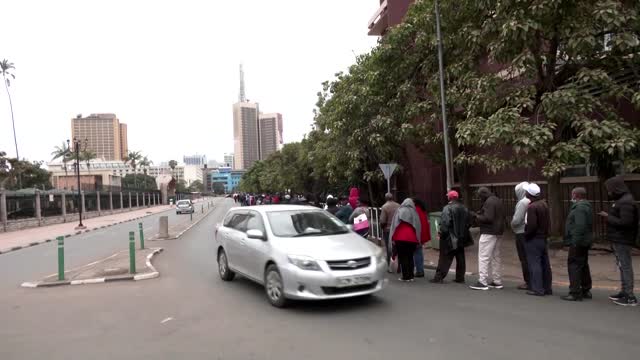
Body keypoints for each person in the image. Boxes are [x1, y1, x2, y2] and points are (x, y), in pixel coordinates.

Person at [599, 176, 638, 306]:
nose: (609, 193)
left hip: (623, 239)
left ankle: (630, 296)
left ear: (616, 188)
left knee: (625, 266)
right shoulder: (622, 200)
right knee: (622, 266)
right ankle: (624, 291)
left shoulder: (626, 202)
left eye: (610, 190)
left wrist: (608, 216)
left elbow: (626, 222)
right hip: (619, 238)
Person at [431, 190, 471, 284]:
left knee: (445, 257)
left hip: (449, 237)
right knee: (460, 257)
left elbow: (445, 224)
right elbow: (469, 222)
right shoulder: (464, 208)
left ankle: (439, 277)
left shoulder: (447, 208)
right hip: (461, 237)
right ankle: (460, 277)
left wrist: (442, 233)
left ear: (450, 198)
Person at [469, 187, 505, 291]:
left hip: (489, 232)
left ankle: (482, 281)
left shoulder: (489, 202)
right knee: (495, 257)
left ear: (484, 194)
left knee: (483, 256)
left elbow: (488, 218)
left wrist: (476, 216)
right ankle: (497, 281)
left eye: (480, 196)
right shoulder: (497, 200)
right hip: (498, 232)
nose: (480, 198)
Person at [562, 187, 593, 301]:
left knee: (574, 265)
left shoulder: (579, 208)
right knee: (583, 265)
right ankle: (585, 289)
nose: (571, 196)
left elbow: (580, 226)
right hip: (584, 241)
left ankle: (575, 292)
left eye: (572, 194)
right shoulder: (586, 206)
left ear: (575, 195)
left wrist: (575, 241)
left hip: (578, 242)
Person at [523, 183, 552, 297]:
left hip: (534, 239)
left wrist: (526, 235)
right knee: (545, 263)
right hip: (542, 238)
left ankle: (537, 288)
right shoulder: (544, 204)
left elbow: (532, 226)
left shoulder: (532, 207)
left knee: (534, 264)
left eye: (526, 191)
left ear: (530, 194)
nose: (525, 193)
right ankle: (547, 287)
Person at [389, 198, 422, 281]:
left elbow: (395, 224)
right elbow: (418, 226)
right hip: (412, 238)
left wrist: (392, 237)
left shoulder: (399, 210)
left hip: (400, 237)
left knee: (403, 257)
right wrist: (418, 238)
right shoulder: (414, 212)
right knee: (410, 257)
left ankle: (405, 276)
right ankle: (411, 276)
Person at [510, 182, 531, 290]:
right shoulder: (531, 200)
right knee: (531, 258)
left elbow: (516, 220)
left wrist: (512, 224)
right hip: (529, 232)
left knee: (524, 258)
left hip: (520, 233)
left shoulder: (522, 203)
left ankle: (528, 281)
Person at [380, 193, 400, 270]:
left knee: (389, 248)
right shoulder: (398, 205)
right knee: (398, 247)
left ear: (385, 198)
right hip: (397, 229)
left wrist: (382, 227)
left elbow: (382, 220)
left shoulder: (385, 207)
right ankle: (399, 266)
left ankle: (390, 265)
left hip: (388, 229)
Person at [412, 198, 431, 277]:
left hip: (415, 235)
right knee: (419, 252)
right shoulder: (422, 210)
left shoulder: (414, 211)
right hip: (422, 235)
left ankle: (417, 271)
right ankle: (420, 270)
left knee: (414, 253)